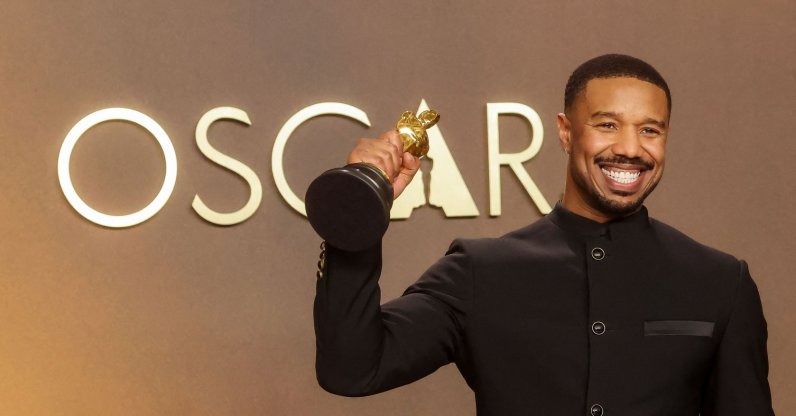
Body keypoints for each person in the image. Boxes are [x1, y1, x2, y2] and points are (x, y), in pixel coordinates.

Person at [312, 54, 775, 415]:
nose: (630, 148)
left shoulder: (720, 282)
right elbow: (352, 369)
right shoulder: (480, 271)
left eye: (649, 130)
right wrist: (357, 215)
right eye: (608, 124)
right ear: (565, 131)